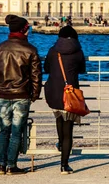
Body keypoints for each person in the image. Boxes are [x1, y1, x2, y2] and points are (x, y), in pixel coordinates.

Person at [0, 15, 42, 175]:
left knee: (4, 130)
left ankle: (1, 165)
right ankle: (12, 165)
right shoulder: (30, 50)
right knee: (17, 132)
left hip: (3, 95)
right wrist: (34, 95)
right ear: (24, 31)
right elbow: (36, 76)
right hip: (22, 95)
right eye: (28, 29)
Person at [44, 26, 86, 175]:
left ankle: (60, 143)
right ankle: (64, 165)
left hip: (54, 92)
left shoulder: (52, 51)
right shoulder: (78, 52)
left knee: (59, 117)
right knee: (68, 129)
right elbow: (82, 70)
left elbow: (46, 69)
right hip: (69, 94)